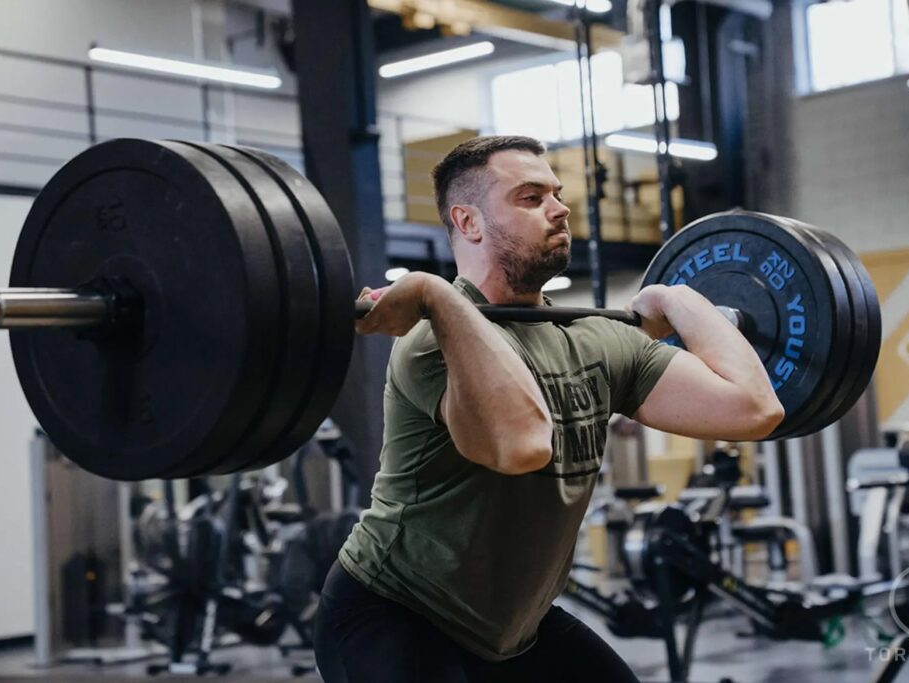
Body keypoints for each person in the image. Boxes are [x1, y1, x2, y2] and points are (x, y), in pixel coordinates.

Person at [313, 135, 783, 682]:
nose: (561, 209)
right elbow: (522, 445)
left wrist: (679, 299)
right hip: (397, 614)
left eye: (556, 194)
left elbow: (755, 409)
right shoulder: (430, 341)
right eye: (531, 198)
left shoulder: (594, 339)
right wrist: (435, 295)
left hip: (514, 630)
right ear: (468, 223)